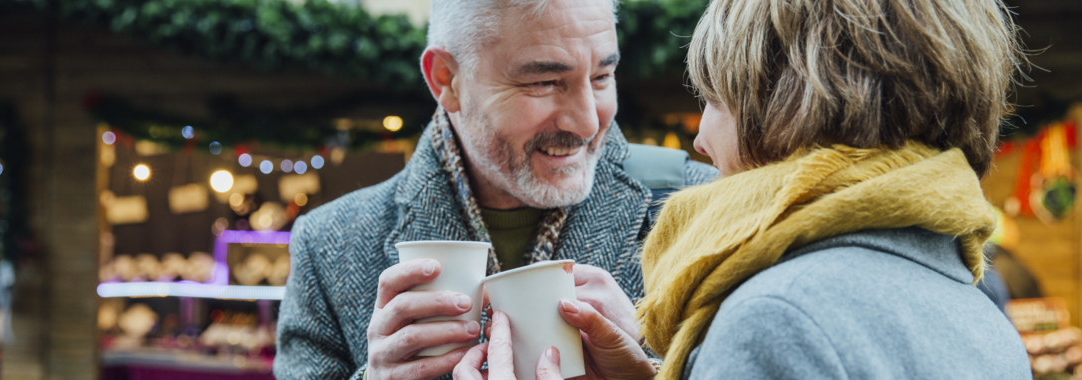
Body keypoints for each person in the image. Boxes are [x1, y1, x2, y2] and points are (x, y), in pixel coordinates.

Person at [461, 0, 1034, 379]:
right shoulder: (974, 305)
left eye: (715, 101)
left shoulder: (779, 317)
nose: (702, 140)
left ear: (791, 109)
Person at [273, 0, 719, 379]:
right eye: (543, 82)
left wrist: (655, 368)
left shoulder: (709, 208)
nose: (587, 123)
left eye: (602, 77)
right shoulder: (328, 245)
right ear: (446, 79)